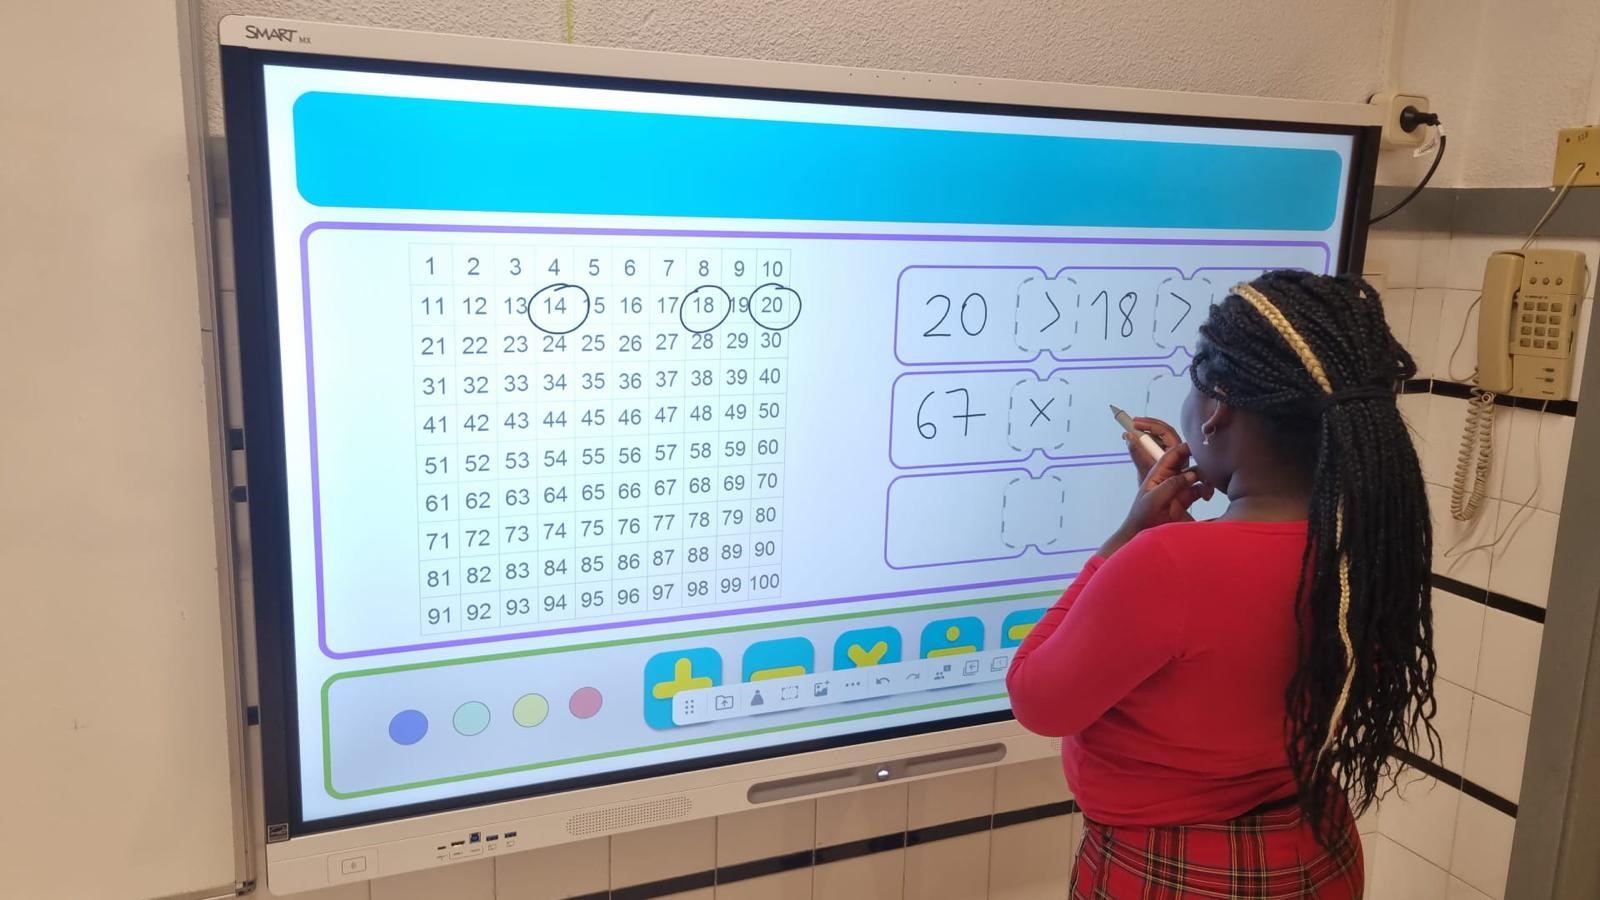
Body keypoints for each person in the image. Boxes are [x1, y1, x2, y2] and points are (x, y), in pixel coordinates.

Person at [1006, 271, 1437, 898]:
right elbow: (1241, 604)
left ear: (1216, 412)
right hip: (1314, 848)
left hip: (1179, 868)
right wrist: (1177, 532)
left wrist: (1124, 539)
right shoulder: (1368, 542)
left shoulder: (1166, 564)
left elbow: (1037, 699)